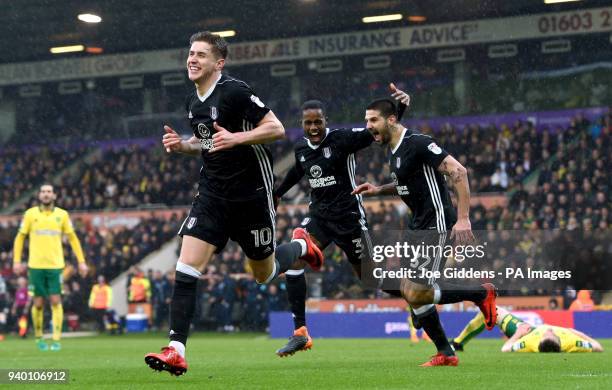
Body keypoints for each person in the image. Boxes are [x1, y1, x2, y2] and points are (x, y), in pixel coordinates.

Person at [144, 31, 322, 376]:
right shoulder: (192, 101)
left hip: (251, 196)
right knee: (186, 267)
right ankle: (176, 349)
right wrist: (184, 145)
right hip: (212, 195)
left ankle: (300, 244)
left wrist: (238, 136)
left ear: (218, 63)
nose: (192, 60)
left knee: (264, 274)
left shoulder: (235, 91)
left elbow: (276, 127)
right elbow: (207, 141)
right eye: (190, 54)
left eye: (200, 55)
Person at [352, 97, 497, 366]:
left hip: (437, 223)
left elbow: (458, 171)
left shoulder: (418, 142)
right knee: (404, 288)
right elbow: (406, 185)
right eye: (366, 121)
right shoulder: (393, 151)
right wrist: (378, 189)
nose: (368, 126)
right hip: (417, 224)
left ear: (391, 120)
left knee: (417, 292)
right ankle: (446, 353)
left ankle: (480, 294)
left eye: (373, 120)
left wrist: (463, 218)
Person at [273, 85, 410, 357]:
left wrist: (400, 109)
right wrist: (276, 194)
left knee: (374, 280)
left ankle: (419, 297)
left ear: (326, 121)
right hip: (320, 219)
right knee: (296, 260)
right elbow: (296, 173)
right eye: (308, 122)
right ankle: (300, 332)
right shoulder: (301, 148)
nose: (313, 127)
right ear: (302, 123)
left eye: (318, 122)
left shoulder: (343, 139)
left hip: (349, 220)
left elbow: (378, 132)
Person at [12, 184, 88, 351]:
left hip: (55, 266)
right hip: (36, 266)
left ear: (54, 195)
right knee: (38, 303)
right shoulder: (30, 214)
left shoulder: (62, 215)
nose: (46, 194)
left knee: (55, 301)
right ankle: (39, 337)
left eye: (49, 192)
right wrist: (16, 261)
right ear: (39, 195)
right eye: (43, 192)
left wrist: (81, 261)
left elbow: (73, 238)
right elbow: (20, 237)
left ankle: (56, 339)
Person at [451, 306, 603, 353]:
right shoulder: (572, 341)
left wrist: (518, 334)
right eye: (550, 334)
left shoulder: (530, 342)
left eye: (546, 335)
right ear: (558, 340)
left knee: (492, 310)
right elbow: (598, 347)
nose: (548, 332)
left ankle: (457, 343)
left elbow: (506, 349)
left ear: (541, 341)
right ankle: (458, 343)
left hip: (527, 331)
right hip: (532, 330)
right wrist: (580, 334)